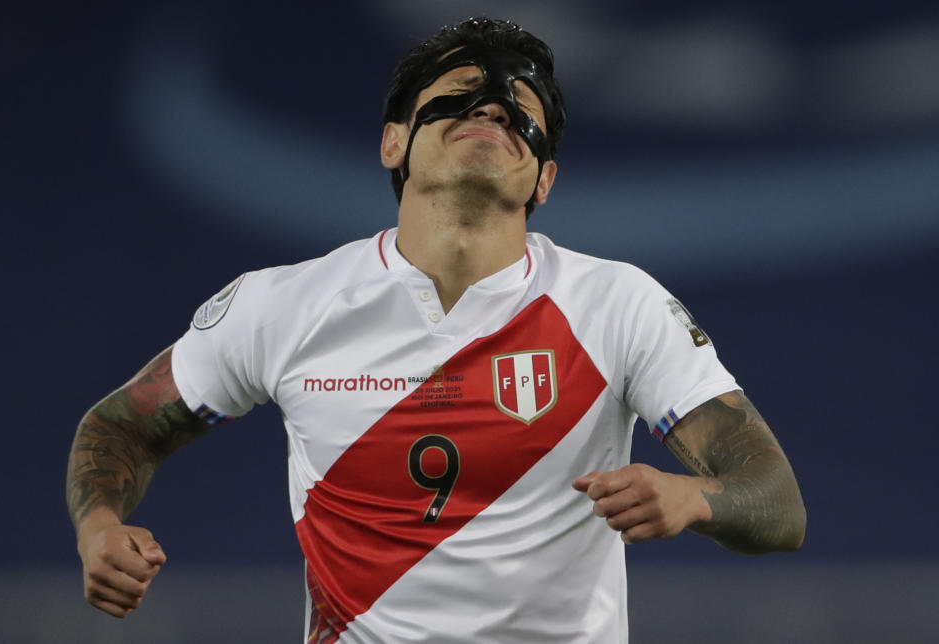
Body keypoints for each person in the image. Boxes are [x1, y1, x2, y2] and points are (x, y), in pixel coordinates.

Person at [67, 16, 806, 643]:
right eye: (460, 96)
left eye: (520, 109)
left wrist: (694, 499)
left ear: (543, 179)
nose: (491, 110)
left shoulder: (617, 306)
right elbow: (120, 428)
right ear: (393, 142)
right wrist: (98, 524)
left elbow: (776, 501)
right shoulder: (286, 306)